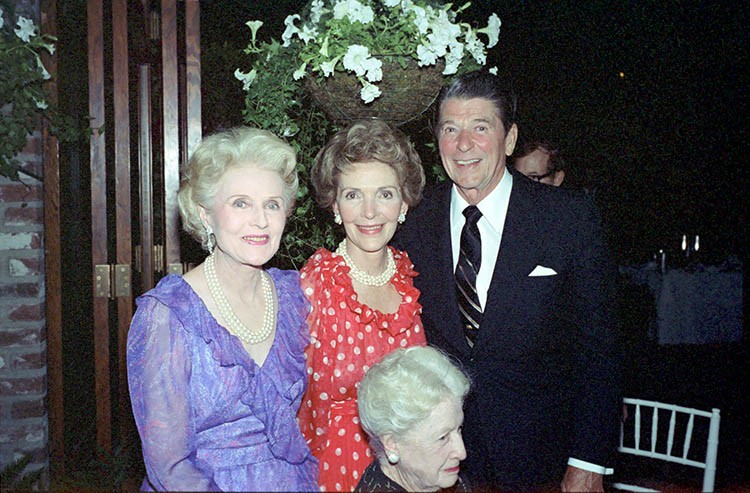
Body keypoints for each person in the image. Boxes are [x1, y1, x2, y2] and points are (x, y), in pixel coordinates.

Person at [394, 70, 622, 491]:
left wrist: (589, 459)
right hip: (445, 464)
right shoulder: (413, 222)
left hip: (545, 461)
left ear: (510, 139)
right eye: (450, 129)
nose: (464, 144)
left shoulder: (568, 219)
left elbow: (601, 350)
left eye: (480, 127)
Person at [127, 126, 318, 491]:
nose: (260, 220)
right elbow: (169, 467)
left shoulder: (296, 296)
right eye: (241, 203)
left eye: (272, 204)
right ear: (205, 215)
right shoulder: (167, 315)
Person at [298, 119, 428, 492]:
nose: (370, 212)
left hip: (406, 471)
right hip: (332, 473)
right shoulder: (314, 284)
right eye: (354, 195)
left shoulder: (411, 278)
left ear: (403, 203)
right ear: (335, 205)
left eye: (384, 194)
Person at [355, 346, 471, 493]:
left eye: (459, 429)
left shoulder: (452, 483)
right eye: (443, 438)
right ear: (392, 444)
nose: (461, 452)